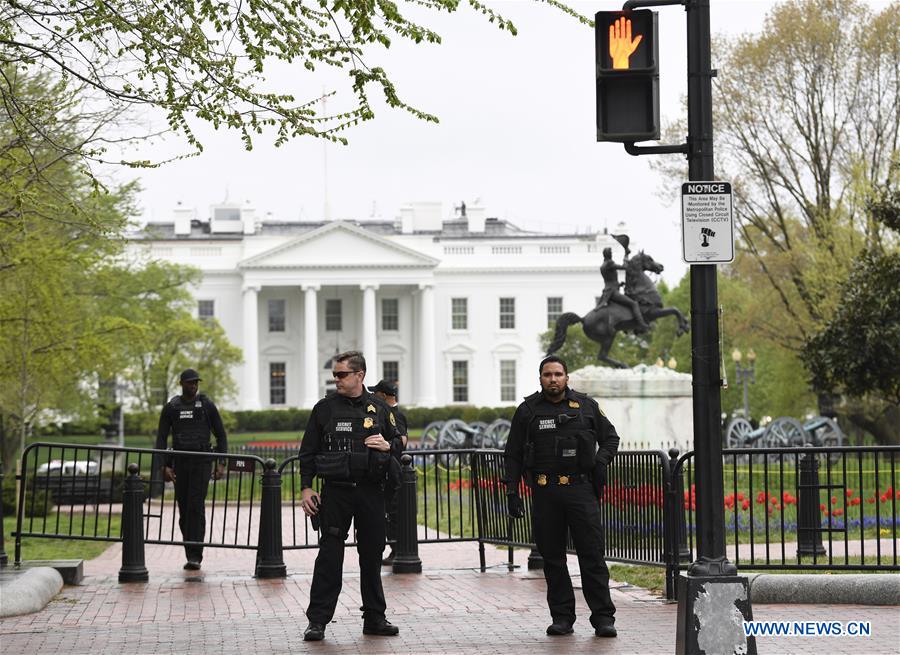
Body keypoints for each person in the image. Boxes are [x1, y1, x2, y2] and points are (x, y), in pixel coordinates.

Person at [504, 355, 620, 638]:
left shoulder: (586, 406)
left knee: (591, 556)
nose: (552, 379)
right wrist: (512, 490)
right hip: (546, 492)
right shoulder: (528, 410)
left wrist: (600, 462)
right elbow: (513, 454)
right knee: (553, 559)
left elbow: (611, 438)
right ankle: (562, 617)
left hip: (581, 491)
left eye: (558, 374)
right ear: (540, 378)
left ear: (567, 378)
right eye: (547, 375)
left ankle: (603, 617)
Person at [298, 351, 403, 642]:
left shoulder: (380, 408)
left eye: (342, 374)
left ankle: (375, 618)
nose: (336, 380)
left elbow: (398, 444)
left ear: (360, 375)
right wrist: (307, 487)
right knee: (329, 556)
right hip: (337, 492)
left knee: (371, 555)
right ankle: (317, 620)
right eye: (335, 375)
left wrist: (387, 446)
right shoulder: (324, 409)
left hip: (370, 491)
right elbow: (307, 452)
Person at [155, 368, 227, 570]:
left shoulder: (206, 405)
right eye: (189, 382)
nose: (193, 385)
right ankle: (190, 549)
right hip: (181, 463)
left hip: (201, 463)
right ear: (182, 384)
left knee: (196, 506)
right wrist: (163, 466)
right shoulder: (172, 407)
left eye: (196, 382)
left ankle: (195, 555)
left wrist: (221, 464)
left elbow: (221, 435)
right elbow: (161, 438)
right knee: (184, 509)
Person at [368, 379, 407, 566]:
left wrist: (387, 446)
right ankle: (394, 547)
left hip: (392, 469)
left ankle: (396, 548)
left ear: (383, 395)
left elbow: (402, 441)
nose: (373, 396)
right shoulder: (388, 412)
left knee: (392, 511)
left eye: (376, 393)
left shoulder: (394, 415)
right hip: (387, 468)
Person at [597, 246, 650, 333]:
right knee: (634, 304)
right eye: (611, 253)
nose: (612, 254)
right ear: (608, 255)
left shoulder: (603, 266)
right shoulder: (609, 264)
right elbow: (625, 267)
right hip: (613, 292)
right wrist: (626, 255)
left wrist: (619, 284)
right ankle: (642, 324)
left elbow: (609, 280)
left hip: (608, 291)